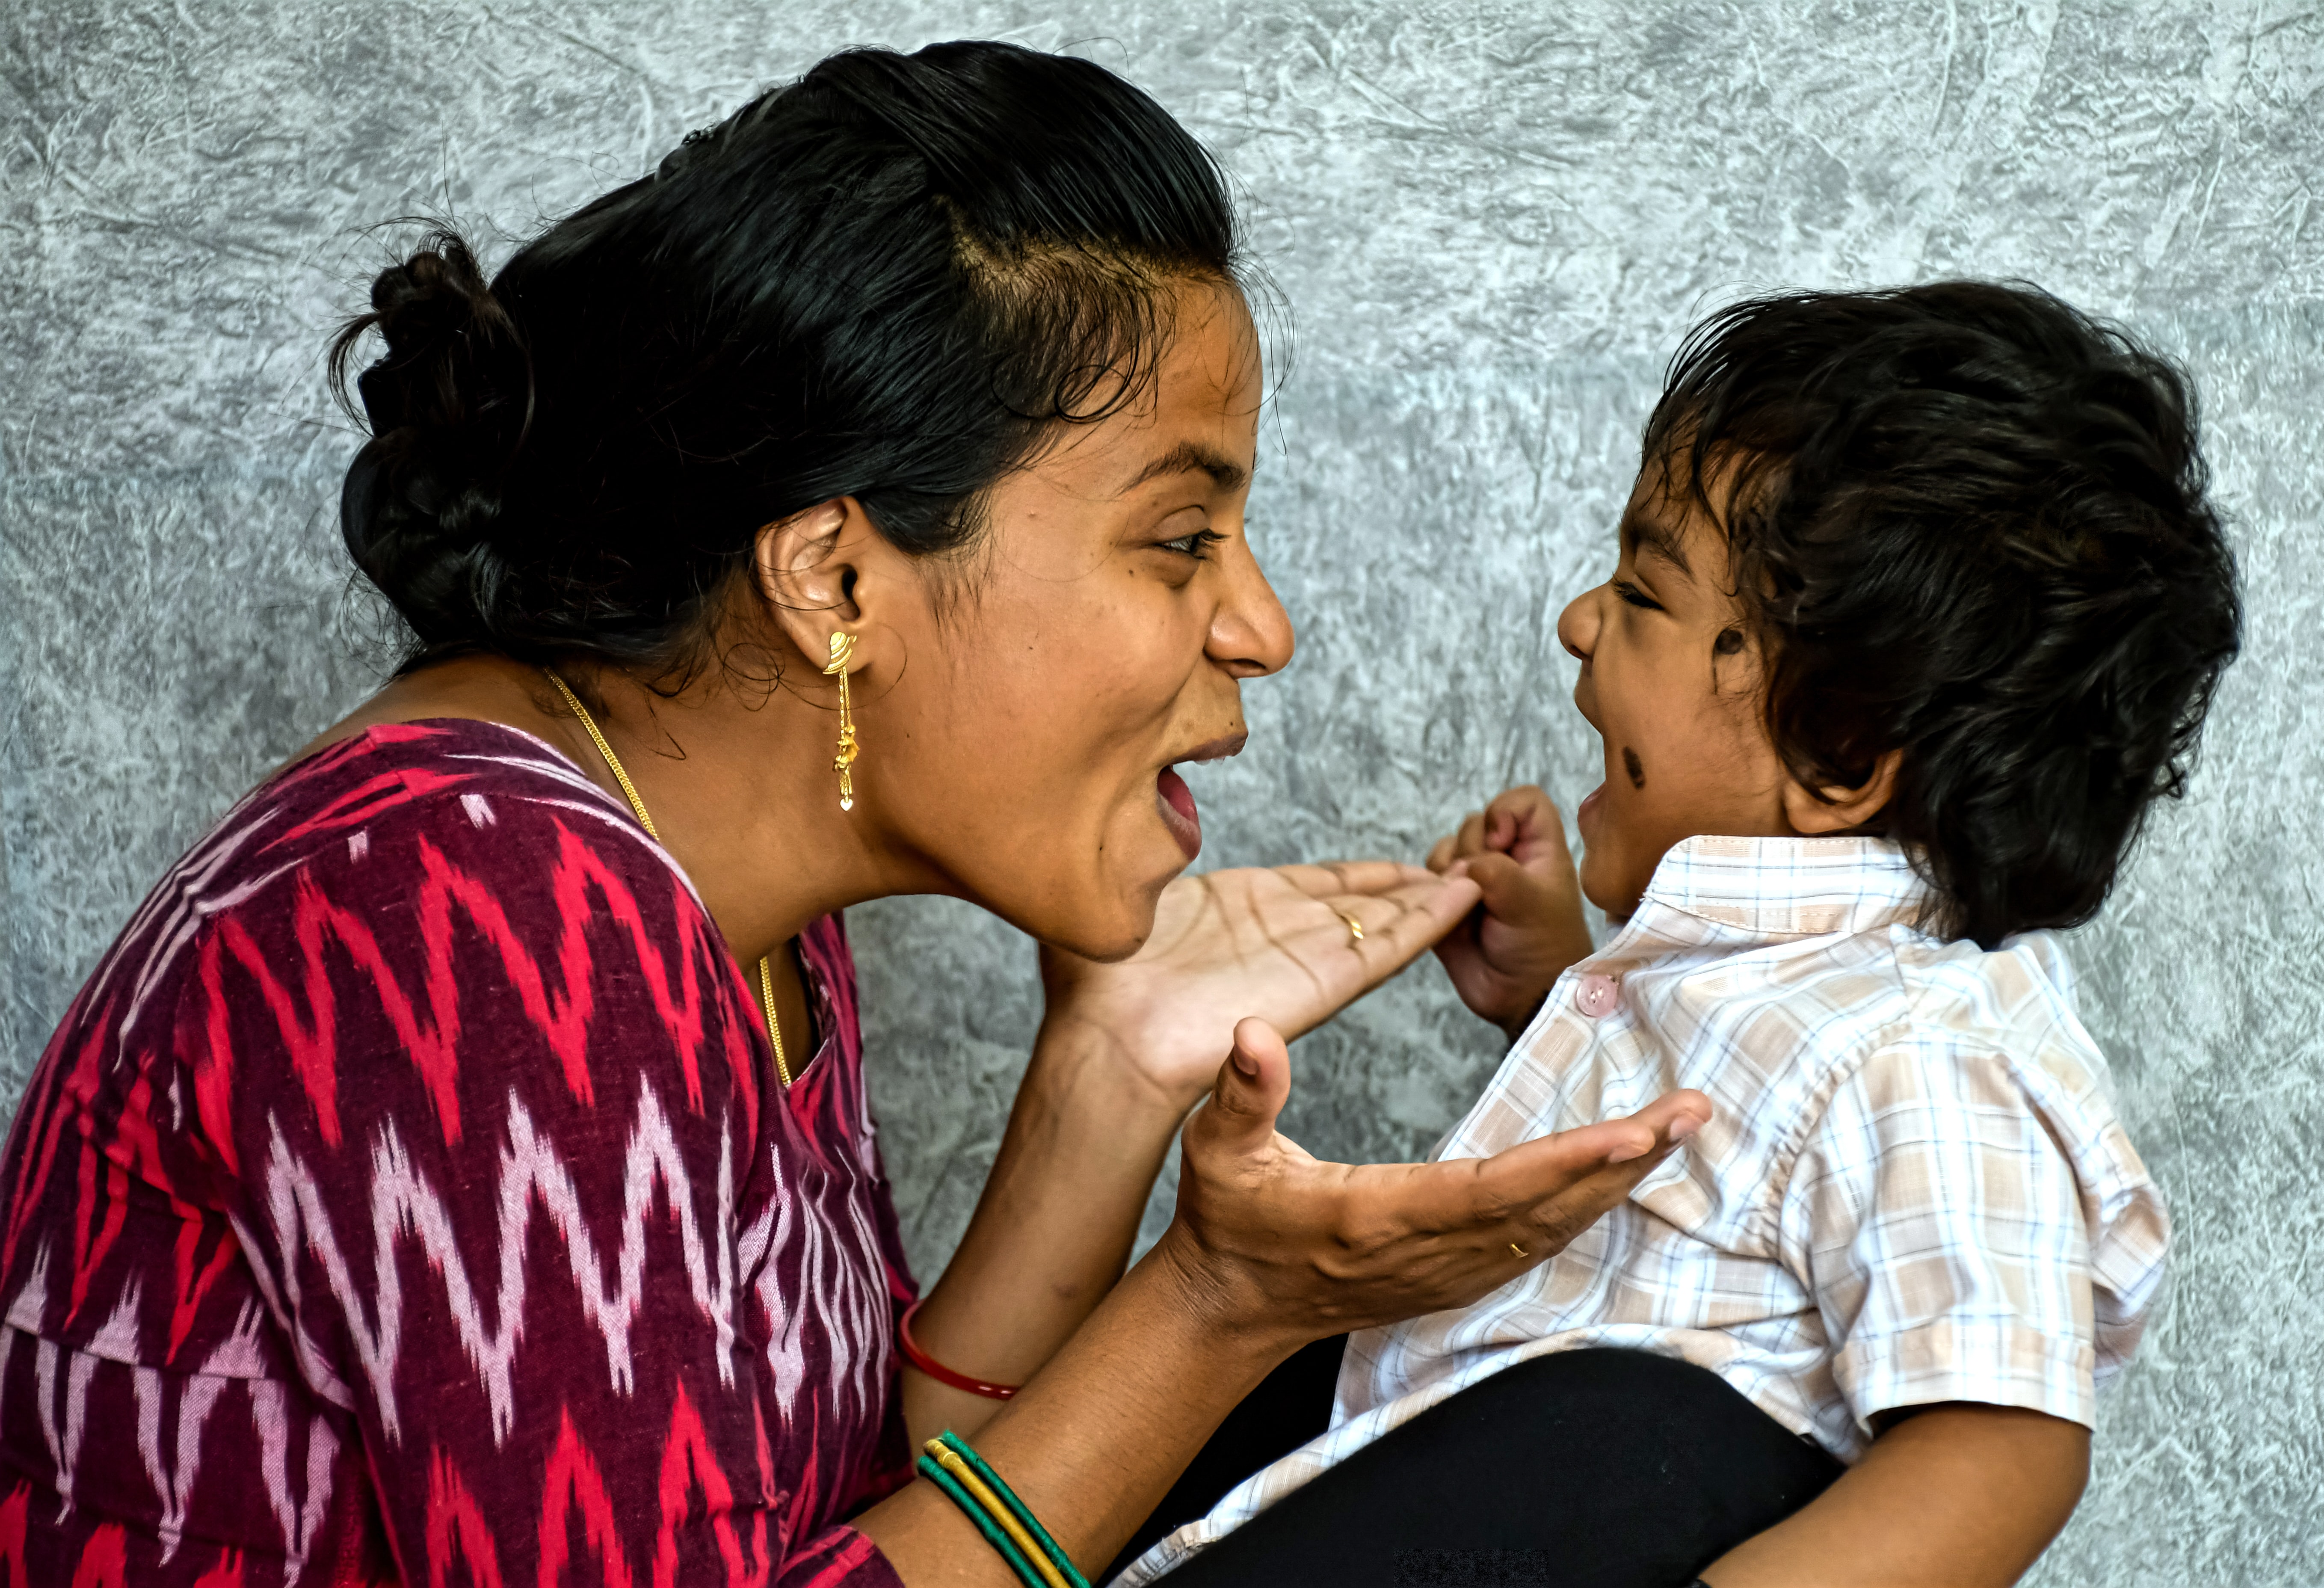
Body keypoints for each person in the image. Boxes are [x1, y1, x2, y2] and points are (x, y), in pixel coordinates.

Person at [0, 41, 1711, 1588]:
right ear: (835, 577)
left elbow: (862, 1516)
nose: (1261, 625)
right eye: (1182, 539)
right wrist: (1213, 1306)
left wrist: (1104, 1080)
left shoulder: (711, 884)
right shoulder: (462, 913)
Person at [1116, 283, 2241, 1588]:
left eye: (1642, 593)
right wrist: (1549, 990)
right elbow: (1674, 1226)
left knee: (1621, 1425)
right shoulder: (1773, 1001)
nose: (1579, 623)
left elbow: (2002, 1446)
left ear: (1837, 748)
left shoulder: (1925, 1055)